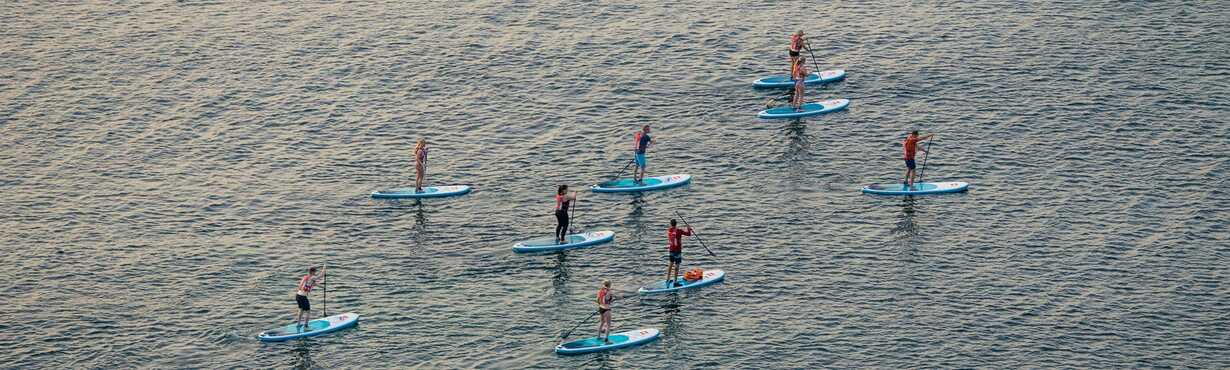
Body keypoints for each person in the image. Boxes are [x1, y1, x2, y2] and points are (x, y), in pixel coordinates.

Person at [665, 219, 694, 286]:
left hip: (671, 249)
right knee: (677, 266)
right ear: (676, 224)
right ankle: (675, 282)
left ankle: (668, 279)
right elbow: (689, 234)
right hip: (677, 250)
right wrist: (688, 228)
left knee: (671, 264)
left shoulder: (669, 230)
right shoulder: (679, 231)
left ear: (671, 224)